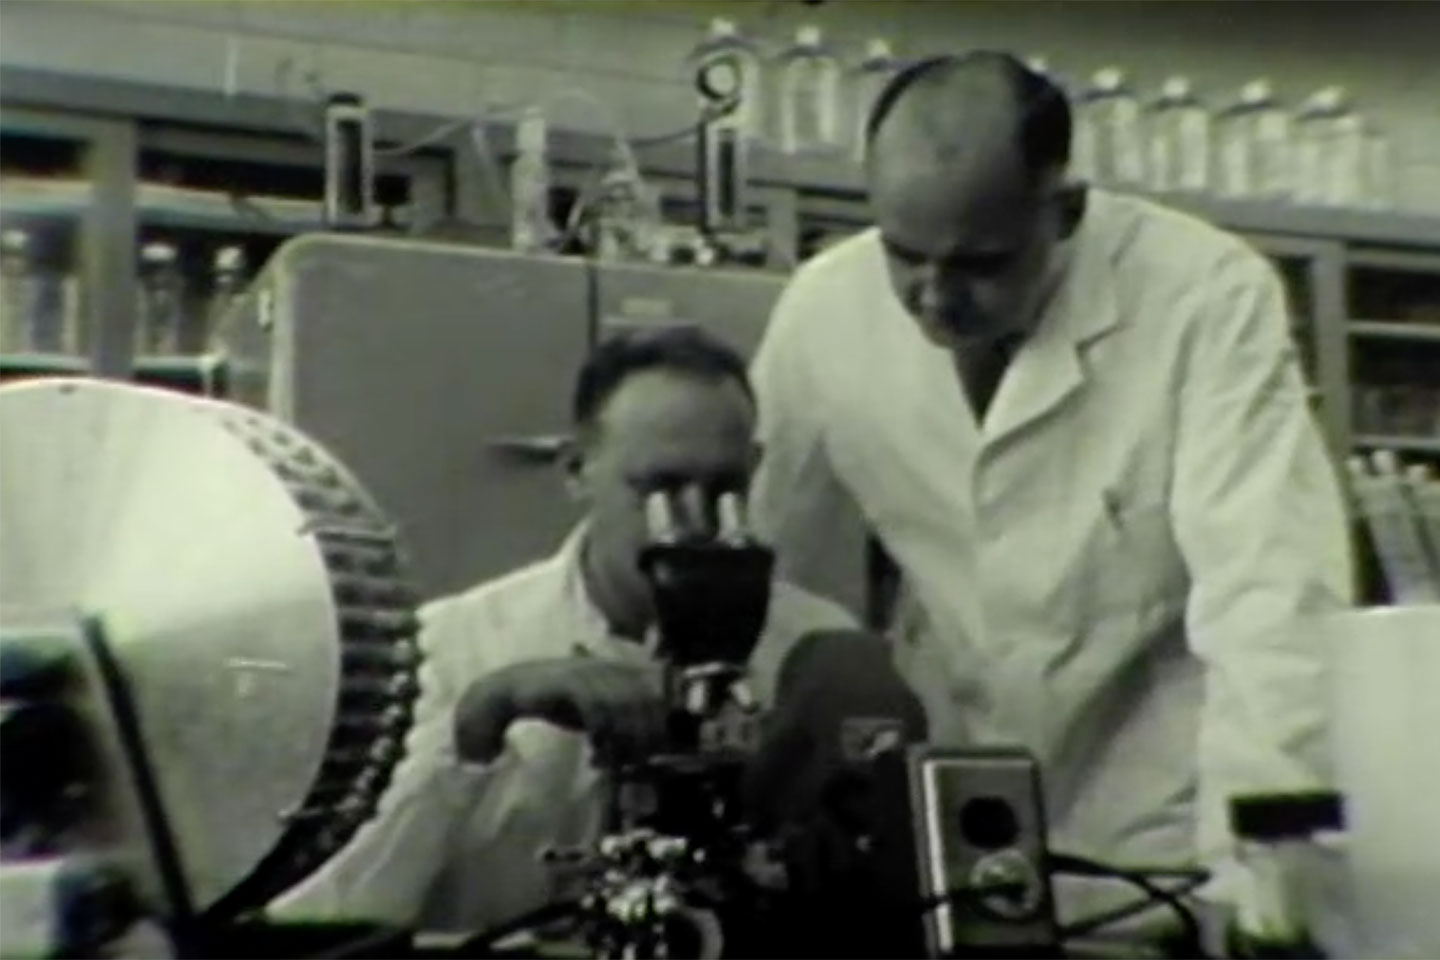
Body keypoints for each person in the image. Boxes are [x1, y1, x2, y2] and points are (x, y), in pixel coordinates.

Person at [748, 50, 1353, 922]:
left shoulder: (1204, 295)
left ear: (1063, 210)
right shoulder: (824, 309)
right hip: (948, 794)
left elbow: (1270, 594)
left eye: (979, 264)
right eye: (904, 255)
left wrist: (1265, 883)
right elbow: (761, 569)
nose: (934, 298)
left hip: (1158, 814)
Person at [270, 326, 855, 933]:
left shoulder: (817, 649)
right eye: (661, 488)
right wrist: (474, 729)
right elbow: (320, 921)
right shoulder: (448, 652)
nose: (695, 522)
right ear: (577, 470)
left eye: (725, 489)